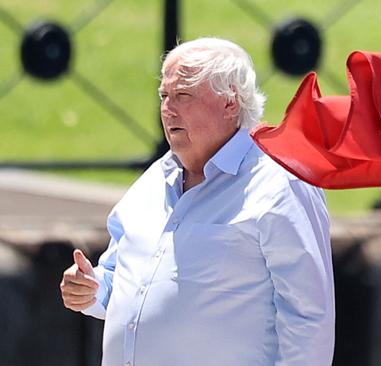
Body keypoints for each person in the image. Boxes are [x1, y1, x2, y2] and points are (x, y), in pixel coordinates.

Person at [59, 37, 335, 366]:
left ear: (230, 102)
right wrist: (90, 288)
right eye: (164, 95)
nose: (166, 108)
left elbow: (309, 320)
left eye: (183, 95)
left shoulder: (279, 183)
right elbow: (122, 282)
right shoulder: (153, 181)